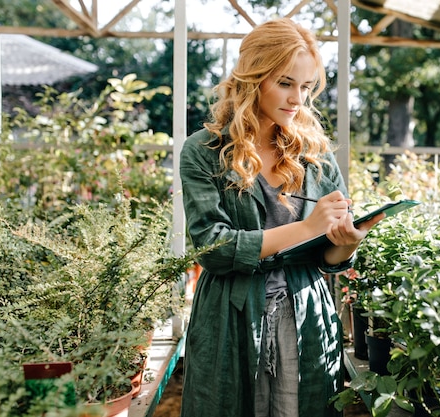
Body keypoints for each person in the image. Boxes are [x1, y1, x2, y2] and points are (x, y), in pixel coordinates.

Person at [179, 17, 384, 417]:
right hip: (232, 315)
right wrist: (306, 227)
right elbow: (213, 248)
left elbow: (327, 258)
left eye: (307, 87)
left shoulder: (315, 154)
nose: (298, 99)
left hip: (304, 313)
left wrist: (345, 243)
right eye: (286, 83)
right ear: (253, 78)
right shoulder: (204, 151)